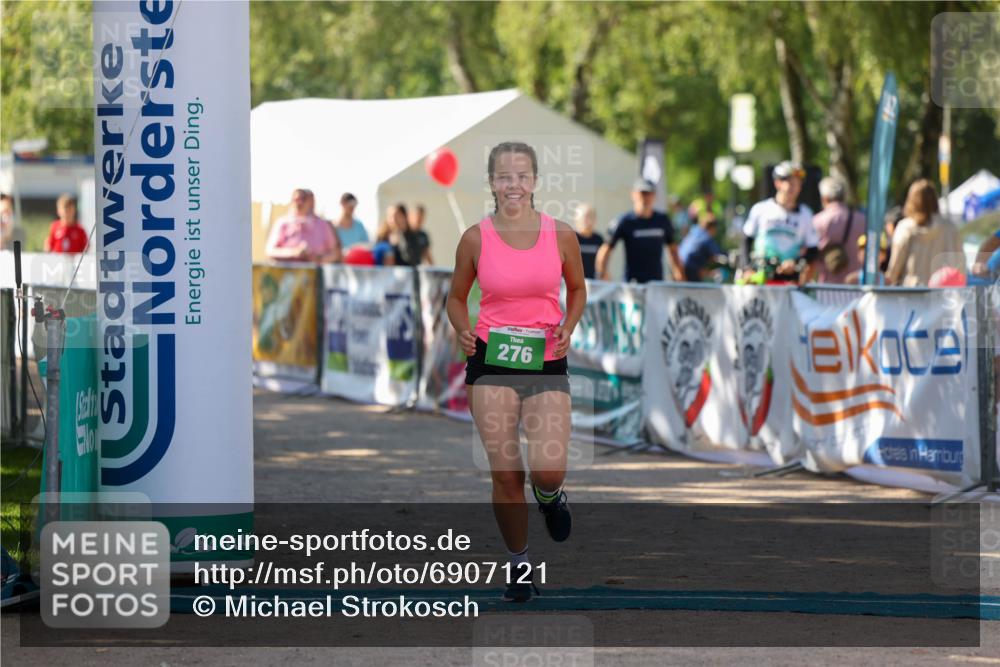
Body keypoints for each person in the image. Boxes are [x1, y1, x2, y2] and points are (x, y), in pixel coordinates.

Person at [447, 141, 586, 603]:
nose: (513, 185)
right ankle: (520, 564)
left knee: (547, 469)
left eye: (521, 176)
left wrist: (568, 325)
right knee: (506, 474)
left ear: (535, 181)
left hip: (545, 359)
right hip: (491, 359)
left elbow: (578, 288)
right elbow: (455, 296)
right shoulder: (474, 238)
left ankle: (550, 498)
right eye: (504, 176)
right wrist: (463, 329)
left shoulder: (561, 234)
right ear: (491, 183)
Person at [741, 161, 819, 284]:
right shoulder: (761, 209)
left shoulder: (805, 214)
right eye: (790, 183)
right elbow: (746, 240)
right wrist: (746, 268)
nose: (794, 188)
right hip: (760, 278)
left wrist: (796, 262)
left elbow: (813, 249)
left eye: (798, 184)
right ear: (778, 184)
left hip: (788, 281)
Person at [595, 178, 683, 283]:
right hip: (633, 284)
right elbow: (606, 249)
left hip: (656, 282)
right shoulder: (624, 221)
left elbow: (672, 249)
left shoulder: (663, 220)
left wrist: (678, 272)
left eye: (649, 193)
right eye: (642, 193)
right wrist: (603, 273)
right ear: (634, 195)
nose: (645, 198)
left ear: (654, 195)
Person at [885, 179, 965, 287]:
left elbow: (894, 269)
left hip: (910, 293)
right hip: (942, 293)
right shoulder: (950, 228)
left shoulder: (905, 228)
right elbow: (960, 266)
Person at [812, 176, 865, 284]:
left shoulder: (818, 221)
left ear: (824, 197)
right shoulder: (863, 219)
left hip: (827, 286)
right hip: (856, 285)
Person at [265, 188, 341, 263]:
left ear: (310, 202)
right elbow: (270, 251)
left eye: (303, 199)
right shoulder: (282, 223)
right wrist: (294, 252)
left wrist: (318, 259)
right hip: (287, 272)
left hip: (315, 272)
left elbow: (334, 253)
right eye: (296, 199)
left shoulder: (323, 225)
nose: (300, 202)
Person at [678, 211, 726, 282]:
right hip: (690, 272)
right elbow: (718, 255)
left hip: (679, 269)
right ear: (712, 227)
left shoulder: (693, 232)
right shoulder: (706, 238)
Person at [573, 204, 604, 279]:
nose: (587, 220)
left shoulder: (598, 239)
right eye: (584, 217)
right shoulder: (570, 238)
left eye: (590, 217)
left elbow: (602, 263)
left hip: (592, 284)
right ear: (577, 218)